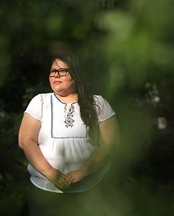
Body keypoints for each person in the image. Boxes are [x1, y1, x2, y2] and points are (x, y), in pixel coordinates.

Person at [18, 53, 120, 216]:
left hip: (89, 191)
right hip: (45, 193)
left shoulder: (97, 103)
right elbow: (26, 140)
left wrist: (82, 172)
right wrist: (51, 173)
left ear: (77, 75)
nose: (56, 75)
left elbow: (110, 143)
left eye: (63, 71)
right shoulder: (40, 101)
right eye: (53, 71)